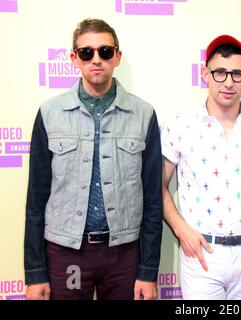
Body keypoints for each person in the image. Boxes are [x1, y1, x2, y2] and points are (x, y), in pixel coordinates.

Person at [24, 18, 163, 300]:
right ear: (74, 58)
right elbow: (36, 199)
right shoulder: (49, 114)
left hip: (123, 255)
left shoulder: (143, 115)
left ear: (117, 57)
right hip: (66, 254)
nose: (96, 59)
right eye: (87, 52)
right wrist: (36, 271)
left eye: (105, 51)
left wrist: (147, 270)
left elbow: (152, 201)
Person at [161, 35, 241, 300]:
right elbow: (159, 186)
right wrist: (182, 232)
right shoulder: (179, 127)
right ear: (205, 74)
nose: (228, 82)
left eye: (237, 74)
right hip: (201, 252)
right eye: (220, 73)